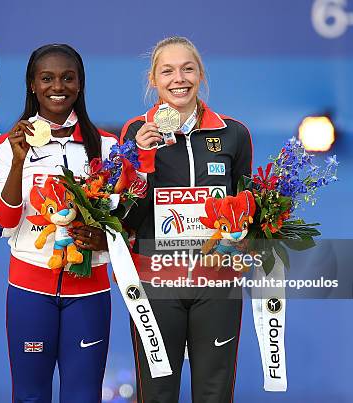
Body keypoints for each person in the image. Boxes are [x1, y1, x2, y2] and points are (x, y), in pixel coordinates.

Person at [120, 36, 253, 403]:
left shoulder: (233, 133)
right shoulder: (135, 132)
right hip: (156, 281)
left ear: (201, 74)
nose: (179, 78)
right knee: (157, 392)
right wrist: (143, 160)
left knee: (214, 391)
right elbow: (127, 218)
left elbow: (246, 206)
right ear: (153, 80)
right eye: (168, 70)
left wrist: (246, 237)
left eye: (187, 68)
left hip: (217, 281)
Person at [0, 44, 117, 403]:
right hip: (30, 290)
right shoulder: (6, 145)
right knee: (30, 396)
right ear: (32, 85)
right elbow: (3, 223)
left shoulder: (106, 147)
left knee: (83, 396)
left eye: (67, 77)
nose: (57, 86)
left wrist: (105, 239)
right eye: (47, 78)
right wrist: (18, 162)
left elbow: (125, 225)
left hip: (89, 290)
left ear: (80, 85)